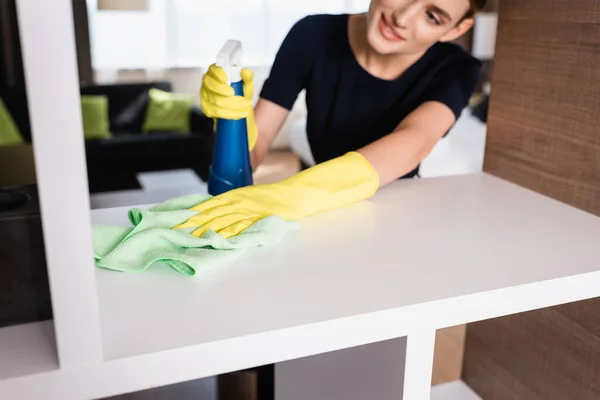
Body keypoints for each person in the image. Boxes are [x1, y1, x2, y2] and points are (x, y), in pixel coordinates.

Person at [176, 0, 486, 239]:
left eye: (432, 16)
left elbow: (414, 141)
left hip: (396, 220)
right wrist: (231, 119)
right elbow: (251, 158)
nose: (402, 18)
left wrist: (291, 195)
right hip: (318, 220)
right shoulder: (312, 36)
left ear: (456, 29)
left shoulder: (457, 69)